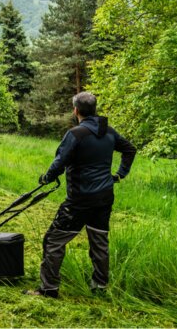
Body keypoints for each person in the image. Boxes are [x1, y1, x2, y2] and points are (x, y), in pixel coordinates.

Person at [24, 92, 136, 298]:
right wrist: (119, 175)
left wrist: (47, 177)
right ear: (94, 109)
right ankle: (99, 286)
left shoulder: (75, 134)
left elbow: (60, 162)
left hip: (79, 200)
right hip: (104, 197)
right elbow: (130, 149)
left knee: (53, 240)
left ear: (76, 110)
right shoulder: (110, 132)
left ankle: (48, 289)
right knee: (99, 242)